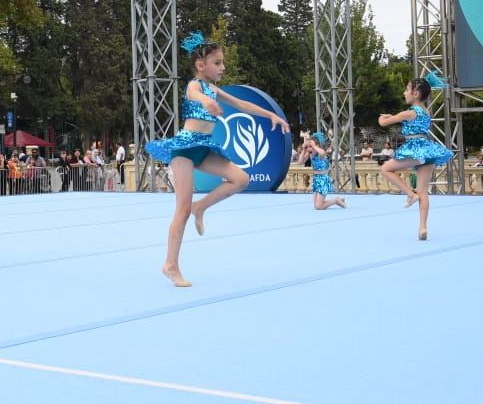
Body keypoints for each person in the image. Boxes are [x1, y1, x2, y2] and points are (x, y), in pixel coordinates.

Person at [145, 32, 289, 287]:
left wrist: (271, 115)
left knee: (240, 178)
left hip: (204, 147)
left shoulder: (213, 89)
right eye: (218, 63)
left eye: (222, 62)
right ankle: (170, 265)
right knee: (181, 210)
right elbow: (193, 94)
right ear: (201, 65)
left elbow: (243, 105)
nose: (222, 67)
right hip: (185, 149)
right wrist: (205, 102)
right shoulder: (196, 86)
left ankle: (202, 207)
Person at [378, 73, 454, 242]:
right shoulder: (426, 112)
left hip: (415, 149)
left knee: (385, 168)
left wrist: (382, 117)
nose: (404, 93)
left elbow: (383, 124)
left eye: (407, 90)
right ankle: (422, 228)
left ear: (416, 94)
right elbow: (401, 118)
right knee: (423, 191)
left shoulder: (410, 112)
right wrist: (394, 116)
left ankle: (409, 194)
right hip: (428, 151)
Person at [297, 132, 346, 210]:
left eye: (311, 146)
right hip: (316, 179)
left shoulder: (321, 152)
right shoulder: (310, 153)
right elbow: (300, 162)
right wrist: (304, 149)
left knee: (318, 206)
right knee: (317, 205)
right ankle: (337, 200)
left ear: (317, 145)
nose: (309, 148)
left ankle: (336, 200)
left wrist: (314, 145)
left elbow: (322, 153)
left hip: (323, 179)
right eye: (309, 146)